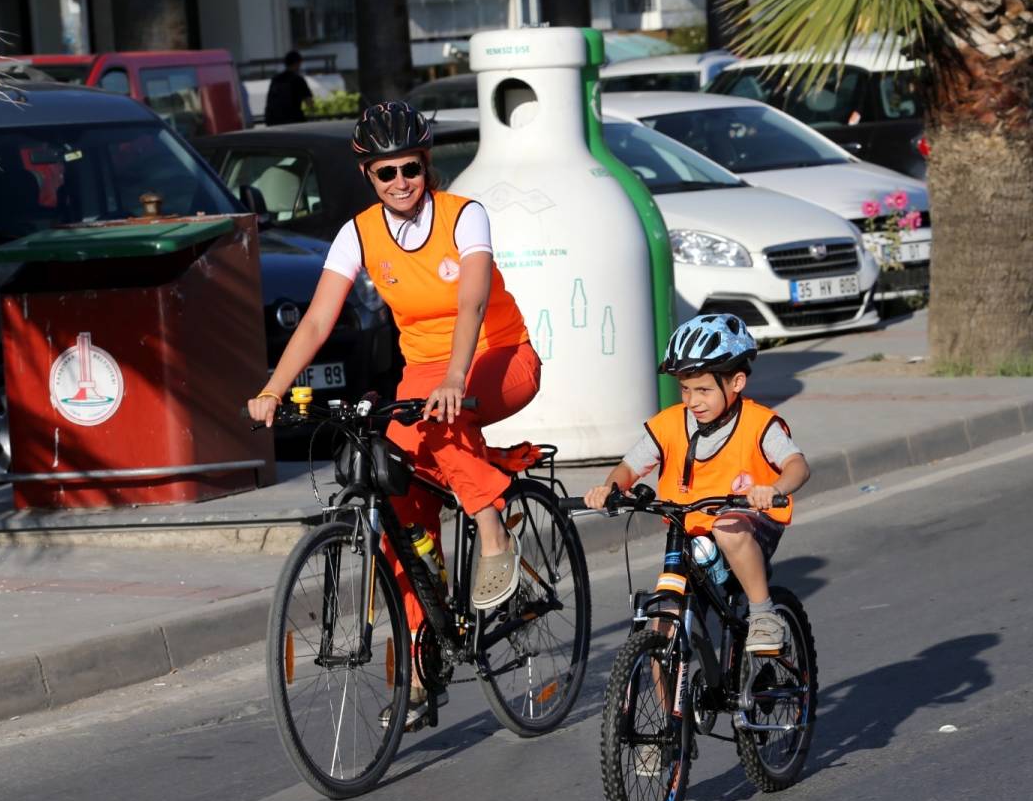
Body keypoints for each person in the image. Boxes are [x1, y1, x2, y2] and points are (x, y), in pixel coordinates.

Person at [247, 101, 541, 725]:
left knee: (433, 424)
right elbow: (320, 319)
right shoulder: (358, 233)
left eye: (410, 167)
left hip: (498, 358)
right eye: (386, 173)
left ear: (427, 164)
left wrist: (458, 376)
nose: (401, 182)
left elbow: (472, 300)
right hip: (425, 379)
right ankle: (419, 663)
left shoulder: (465, 216)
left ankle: (491, 526)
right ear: (368, 176)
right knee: (401, 510)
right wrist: (273, 388)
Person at [583, 314, 810, 654]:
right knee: (662, 630)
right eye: (685, 389)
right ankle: (673, 708)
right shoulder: (670, 424)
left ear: (736, 382)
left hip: (748, 524)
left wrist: (774, 489)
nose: (692, 401)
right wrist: (611, 489)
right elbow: (628, 468)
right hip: (687, 530)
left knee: (728, 527)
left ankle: (763, 614)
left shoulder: (758, 423)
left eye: (703, 389)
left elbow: (797, 466)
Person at [264, 50, 312, 126]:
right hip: (294, 122)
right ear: (297, 63)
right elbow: (309, 103)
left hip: (275, 123)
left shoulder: (275, 79)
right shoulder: (299, 80)